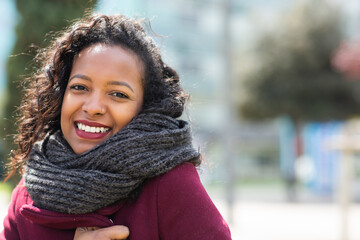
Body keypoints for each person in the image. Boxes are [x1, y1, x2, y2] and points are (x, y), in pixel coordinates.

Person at [1, 14, 231, 240]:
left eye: (118, 94)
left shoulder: (170, 184)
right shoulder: (31, 188)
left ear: (145, 108)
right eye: (80, 87)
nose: (93, 107)